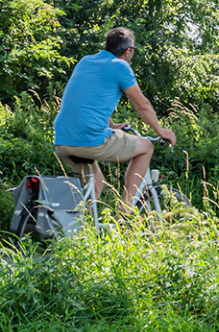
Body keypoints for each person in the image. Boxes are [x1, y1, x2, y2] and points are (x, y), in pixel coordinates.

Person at [53, 26, 176, 212]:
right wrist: (161, 131)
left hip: (63, 141)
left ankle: (81, 230)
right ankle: (124, 211)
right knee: (146, 148)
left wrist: (112, 125)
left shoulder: (86, 61)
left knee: (97, 184)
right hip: (90, 140)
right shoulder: (120, 66)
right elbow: (142, 104)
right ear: (128, 51)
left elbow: (88, 98)